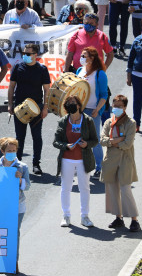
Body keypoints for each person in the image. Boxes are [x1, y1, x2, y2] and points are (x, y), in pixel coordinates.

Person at [53, 95, 98, 228]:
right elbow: (56, 142)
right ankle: (66, 216)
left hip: (83, 160)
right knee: (65, 188)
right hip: (67, 159)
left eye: (73, 102)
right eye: (69, 103)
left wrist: (86, 144)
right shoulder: (63, 121)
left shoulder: (88, 120)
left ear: (79, 105)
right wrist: (66, 146)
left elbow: (95, 140)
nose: (71, 105)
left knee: (84, 188)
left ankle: (85, 216)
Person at [100, 94, 141, 232]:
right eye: (114, 106)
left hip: (125, 160)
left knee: (125, 189)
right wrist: (117, 140)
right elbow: (102, 140)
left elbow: (127, 144)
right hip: (111, 160)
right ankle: (119, 218)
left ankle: (134, 220)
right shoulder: (108, 122)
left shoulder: (131, 123)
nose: (116, 108)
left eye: (119, 106)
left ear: (125, 107)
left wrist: (111, 141)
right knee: (112, 190)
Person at [8, 43, 51, 175]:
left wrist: (45, 108)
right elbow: (11, 87)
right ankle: (17, 162)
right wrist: (10, 104)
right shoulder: (17, 68)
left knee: (36, 137)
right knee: (19, 137)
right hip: (20, 108)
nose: (25, 56)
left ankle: (36, 163)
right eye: (24, 53)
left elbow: (47, 90)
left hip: (36, 109)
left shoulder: (42, 69)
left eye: (28, 54)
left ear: (35, 55)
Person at [0, 137, 30, 273]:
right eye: (9, 150)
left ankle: (13, 261)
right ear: (2, 151)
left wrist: (20, 181)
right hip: (0, 206)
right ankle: (2, 261)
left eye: (14, 150)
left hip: (17, 206)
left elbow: (27, 186)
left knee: (13, 234)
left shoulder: (22, 167)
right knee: (0, 233)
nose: (12, 152)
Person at [76, 47, 108, 177]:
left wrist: (97, 109)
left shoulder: (100, 74)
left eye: (84, 56)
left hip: (93, 110)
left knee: (94, 141)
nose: (81, 58)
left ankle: (99, 166)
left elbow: (104, 95)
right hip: (79, 110)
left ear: (92, 58)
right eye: (82, 55)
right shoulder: (79, 70)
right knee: (78, 138)